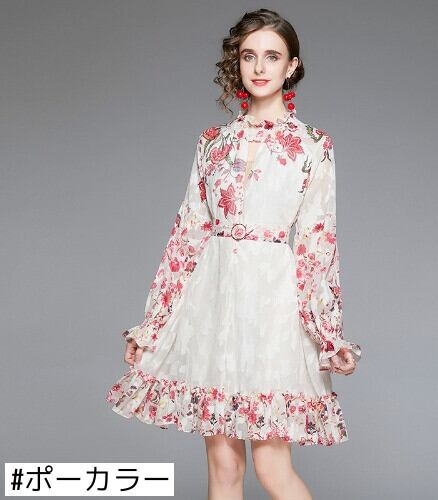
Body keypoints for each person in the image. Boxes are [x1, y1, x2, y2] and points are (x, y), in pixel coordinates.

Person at [106, 8, 362, 500]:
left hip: (272, 312)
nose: (259, 67)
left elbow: (317, 243)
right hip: (212, 308)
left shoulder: (313, 146)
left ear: (292, 66)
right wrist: (152, 325)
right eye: (249, 56)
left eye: (272, 56)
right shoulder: (213, 143)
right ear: (236, 63)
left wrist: (327, 334)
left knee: (272, 468)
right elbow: (186, 236)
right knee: (224, 468)